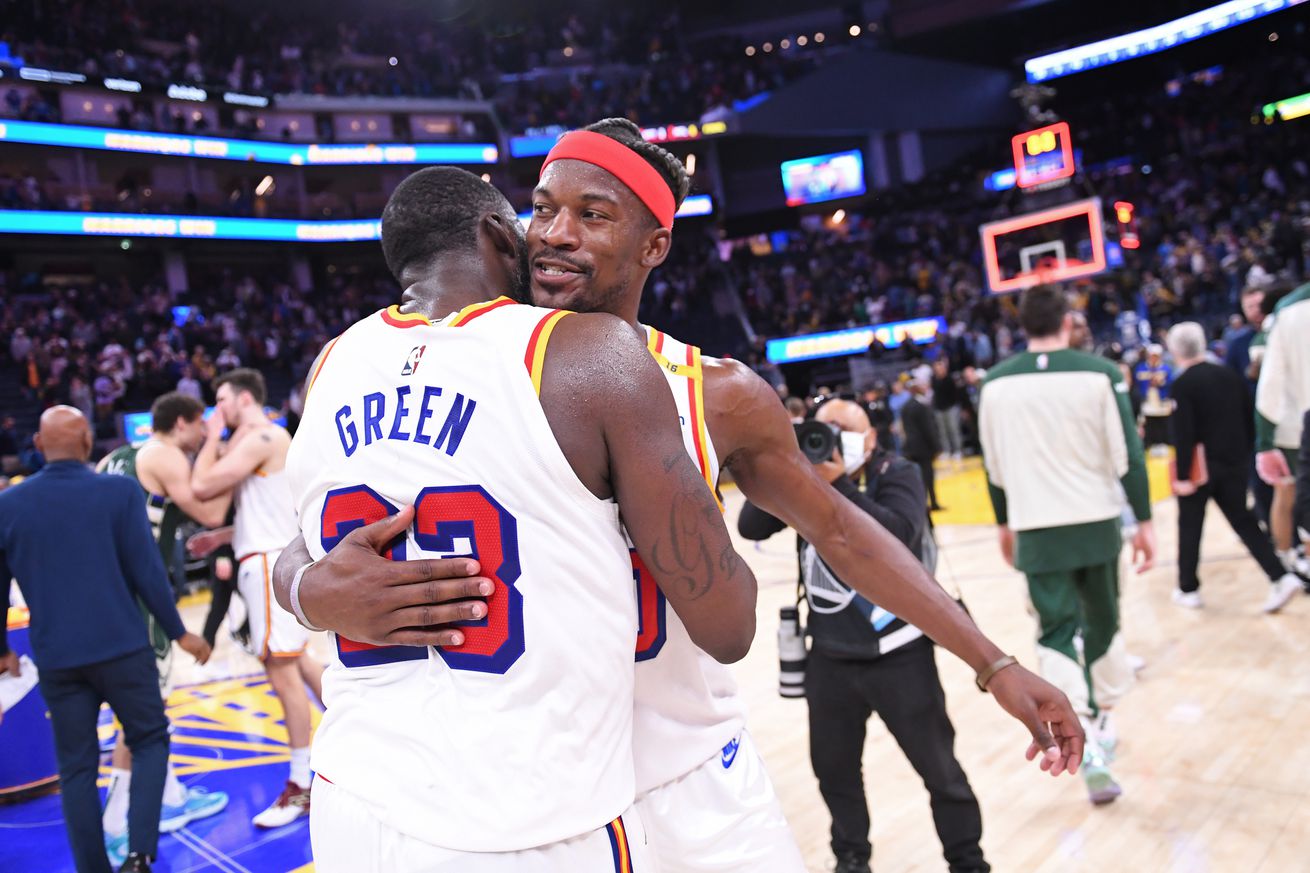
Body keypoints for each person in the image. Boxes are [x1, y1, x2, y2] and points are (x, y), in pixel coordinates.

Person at [276, 122, 1084, 873]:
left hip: (682, 776)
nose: (556, 234)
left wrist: (992, 659)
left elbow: (839, 530)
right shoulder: (437, 359)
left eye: (593, 215)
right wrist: (310, 589)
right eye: (544, 209)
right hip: (526, 800)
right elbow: (316, 534)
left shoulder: (715, 390)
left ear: (655, 242)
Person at [286, 166, 758, 870]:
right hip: (526, 816)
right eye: (532, 217)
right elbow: (729, 626)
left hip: (352, 798)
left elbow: (299, 547)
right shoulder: (587, 352)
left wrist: (305, 591)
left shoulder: (332, 363)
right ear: (496, 235)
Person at [738, 400, 989, 873]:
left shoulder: (897, 471)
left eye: (843, 428)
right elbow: (750, 525)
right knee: (835, 774)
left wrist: (837, 485)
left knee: (941, 771)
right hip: (830, 657)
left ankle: (968, 861)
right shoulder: (802, 479)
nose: (829, 436)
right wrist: (785, 466)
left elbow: (898, 532)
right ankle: (851, 860)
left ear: (870, 438)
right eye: (822, 427)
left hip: (900, 652)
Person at [0, 406, 211, 873]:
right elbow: (147, 572)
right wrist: (180, 633)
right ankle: (139, 855)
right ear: (86, 444)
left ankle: (92, 867)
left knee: (76, 770)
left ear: (37, 445)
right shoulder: (118, 492)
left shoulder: (8, 505)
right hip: (122, 648)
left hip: (57, 658)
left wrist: (2, 651)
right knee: (151, 740)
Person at [979, 285, 1155, 806]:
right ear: (1068, 320)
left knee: (1055, 631)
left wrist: (1004, 523)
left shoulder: (993, 383)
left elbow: (994, 467)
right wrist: (1144, 519)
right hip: (1096, 520)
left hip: (1035, 524)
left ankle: (1081, 738)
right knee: (1102, 623)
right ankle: (1101, 722)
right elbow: (1129, 455)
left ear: (1022, 325)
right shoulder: (1099, 373)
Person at [95, 393, 232, 865]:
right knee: (143, 711)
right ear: (182, 423)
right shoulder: (165, 454)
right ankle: (114, 824)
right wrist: (228, 454)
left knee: (148, 706)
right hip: (140, 593)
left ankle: (169, 796)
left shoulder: (113, 458)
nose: (200, 435)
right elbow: (211, 515)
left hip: (107, 589)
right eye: (199, 427)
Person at [188, 369, 325, 829]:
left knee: (280, 669)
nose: (216, 410)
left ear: (244, 398)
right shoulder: (258, 442)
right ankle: (365, 742)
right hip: (264, 554)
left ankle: (302, 784)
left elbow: (202, 486)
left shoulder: (263, 435)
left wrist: (210, 438)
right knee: (299, 662)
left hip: (267, 563)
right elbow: (240, 508)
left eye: (221, 400)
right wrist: (224, 535)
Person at [1165, 322, 1301, 612]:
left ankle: (1188, 588)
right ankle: (1280, 575)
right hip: (1234, 463)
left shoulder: (1182, 384)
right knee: (1245, 521)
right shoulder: (1229, 375)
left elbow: (1184, 433)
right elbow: (1248, 416)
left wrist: (1182, 475)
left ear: (1174, 349)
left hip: (1200, 469)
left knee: (1190, 525)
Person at [1254, 281, 1310, 578]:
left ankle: (1288, 561)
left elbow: (1268, 383)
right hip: (1296, 425)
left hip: (1292, 424)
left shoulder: (1286, 312)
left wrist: (1264, 441)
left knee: (1287, 494)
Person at [901, 377, 942, 510]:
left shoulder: (905, 407)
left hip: (910, 448)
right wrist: (937, 447)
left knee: (918, 478)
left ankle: (923, 505)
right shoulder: (921, 407)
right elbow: (928, 429)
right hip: (923, 448)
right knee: (928, 477)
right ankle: (932, 503)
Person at [1134, 344, 1174, 452]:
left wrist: (1161, 382)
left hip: (1162, 401)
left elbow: (1171, 382)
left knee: (1163, 424)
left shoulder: (1166, 368)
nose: (1154, 358)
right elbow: (1137, 382)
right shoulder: (1141, 367)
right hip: (1147, 401)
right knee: (1149, 424)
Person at [931, 359, 964, 465]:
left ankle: (958, 451)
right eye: (936, 368)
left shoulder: (950, 379)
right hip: (939, 409)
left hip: (951, 408)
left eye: (940, 367)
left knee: (953, 429)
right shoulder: (934, 380)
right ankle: (947, 451)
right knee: (942, 432)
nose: (938, 370)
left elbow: (955, 394)